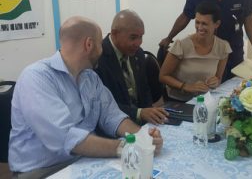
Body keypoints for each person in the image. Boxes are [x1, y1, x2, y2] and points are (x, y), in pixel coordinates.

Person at [9, 16, 163, 178]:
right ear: (89, 44)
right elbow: (66, 138)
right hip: (44, 170)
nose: (103, 49)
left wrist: (142, 138)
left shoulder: (90, 78)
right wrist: (126, 146)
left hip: (84, 161)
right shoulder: (37, 78)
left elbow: (113, 117)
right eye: (100, 44)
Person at [95, 9, 169, 125]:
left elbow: (144, 91)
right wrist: (139, 113)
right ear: (115, 34)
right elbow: (102, 104)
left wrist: (152, 114)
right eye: (133, 37)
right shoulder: (98, 57)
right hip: (114, 125)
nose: (139, 43)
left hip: (142, 123)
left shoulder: (138, 53)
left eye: (141, 37)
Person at [159, 1, 232, 102]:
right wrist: (186, 86)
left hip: (206, 99)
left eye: (204, 24)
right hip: (180, 100)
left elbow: (218, 78)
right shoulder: (181, 45)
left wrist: (216, 81)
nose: (200, 27)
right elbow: (163, 76)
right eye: (197, 22)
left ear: (217, 24)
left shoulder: (223, 47)